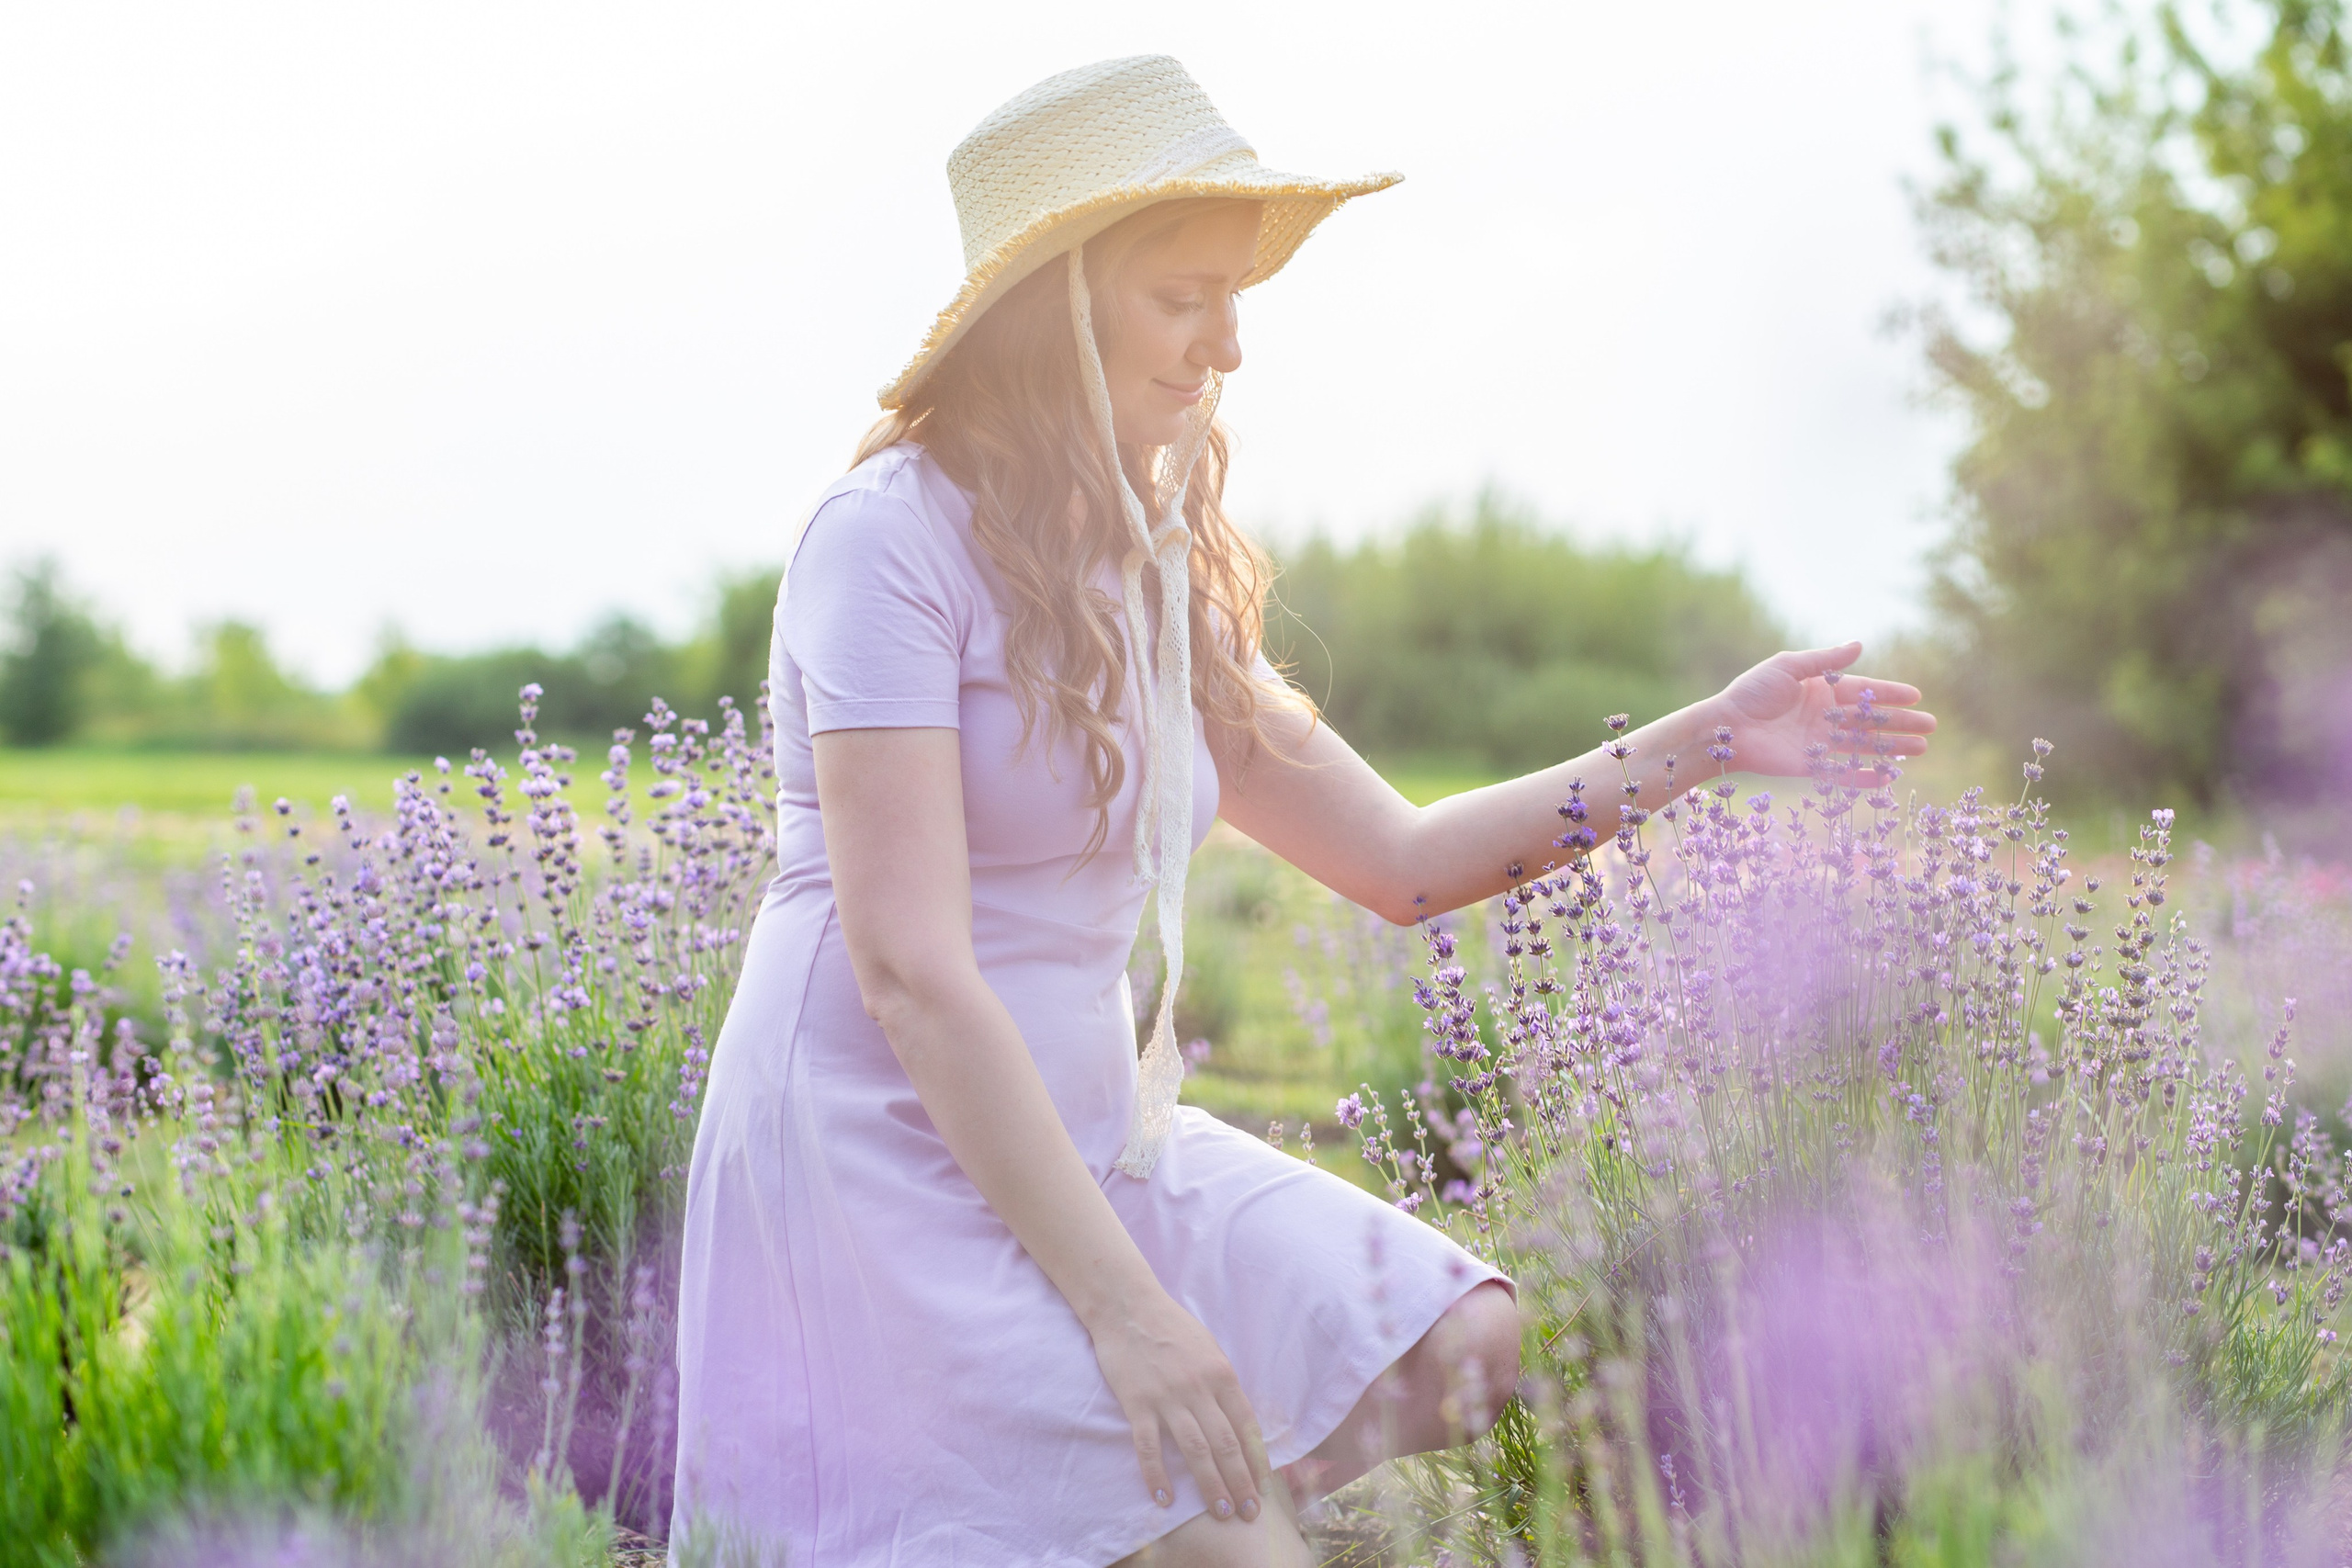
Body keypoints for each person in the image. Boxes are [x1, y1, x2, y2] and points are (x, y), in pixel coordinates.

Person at [669, 55, 1935, 1568]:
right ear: (1054, 304)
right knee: (1219, 1540)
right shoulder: (882, 543)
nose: (1229, 346)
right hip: (880, 1156)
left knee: (1462, 1343)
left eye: (1235, 297)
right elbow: (911, 974)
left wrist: (1711, 739)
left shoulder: (1148, 564)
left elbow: (1402, 862)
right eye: (1184, 297)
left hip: (1084, 1131)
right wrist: (1138, 1326)